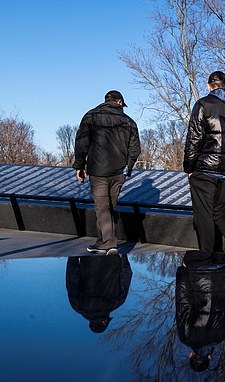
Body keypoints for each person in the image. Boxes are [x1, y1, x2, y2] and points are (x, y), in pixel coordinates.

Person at [183, 71, 225, 259]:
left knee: (203, 214)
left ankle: (206, 256)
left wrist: (189, 168)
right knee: (218, 211)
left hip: (204, 168)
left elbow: (194, 139)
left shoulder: (203, 105)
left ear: (208, 87)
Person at [73, 90, 141, 255]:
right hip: (119, 171)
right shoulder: (128, 121)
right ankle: (103, 241)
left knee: (102, 207)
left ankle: (109, 244)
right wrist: (128, 167)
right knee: (110, 206)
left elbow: (82, 142)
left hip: (98, 170)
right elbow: (135, 149)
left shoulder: (91, 116)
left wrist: (79, 166)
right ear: (119, 102)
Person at [175, 250, 225, 371]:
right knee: (199, 237)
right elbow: (183, 302)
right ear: (190, 356)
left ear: (209, 357)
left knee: (216, 239)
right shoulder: (187, 338)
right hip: (198, 271)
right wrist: (183, 271)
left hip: (220, 270)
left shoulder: (224, 334)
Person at [66, 254, 132, 333]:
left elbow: (126, 275)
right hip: (89, 255)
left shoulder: (117, 302)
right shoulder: (78, 306)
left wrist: (123, 255)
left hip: (112, 254)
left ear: (104, 322)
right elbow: (72, 278)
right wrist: (74, 256)